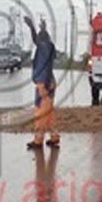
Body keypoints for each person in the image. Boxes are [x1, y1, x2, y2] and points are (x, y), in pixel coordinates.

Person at [24, 16, 59, 149]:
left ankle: (38, 141)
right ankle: (54, 137)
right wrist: (41, 28)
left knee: (40, 114)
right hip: (48, 82)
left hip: (43, 84)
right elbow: (37, 40)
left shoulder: (44, 47)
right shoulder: (48, 47)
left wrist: (32, 26)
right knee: (49, 114)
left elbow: (36, 40)